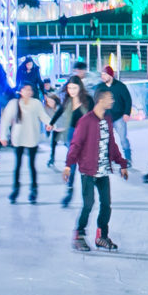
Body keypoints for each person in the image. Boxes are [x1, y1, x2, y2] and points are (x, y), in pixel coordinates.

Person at [64, 89, 129, 252]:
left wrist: (122, 163)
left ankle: (102, 236)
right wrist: (68, 164)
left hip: (103, 170)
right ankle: (78, 235)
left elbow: (111, 145)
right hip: (88, 170)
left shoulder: (107, 119)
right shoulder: (86, 121)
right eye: (110, 98)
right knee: (88, 204)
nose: (112, 101)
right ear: (100, 100)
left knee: (106, 205)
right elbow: (76, 144)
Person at [0, 83, 51, 204]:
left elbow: (43, 116)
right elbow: (5, 119)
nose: (27, 92)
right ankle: (15, 190)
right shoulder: (13, 104)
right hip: (18, 138)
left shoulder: (36, 104)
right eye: (25, 89)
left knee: (32, 165)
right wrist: (3, 135)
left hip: (32, 137)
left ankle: (33, 190)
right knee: (18, 165)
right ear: (20, 91)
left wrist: (49, 123)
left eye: (29, 90)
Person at [49, 76, 93, 206]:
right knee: (72, 164)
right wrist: (51, 123)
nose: (72, 91)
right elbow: (60, 111)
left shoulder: (88, 100)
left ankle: (87, 191)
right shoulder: (68, 100)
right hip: (72, 134)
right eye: (69, 88)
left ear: (80, 88)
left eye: (74, 88)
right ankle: (69, 190)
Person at [95, 66, 132, 164]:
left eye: (104, 74)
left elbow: (128, 100)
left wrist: (126, 113)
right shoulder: (100, 87)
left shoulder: (120, 86)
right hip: (105, 118)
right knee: (106, 139)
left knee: (123, 139)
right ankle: (108, 159)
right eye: (102, 74)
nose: (102, 76)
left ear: (110, 75)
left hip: (119, 117)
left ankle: (128, 158)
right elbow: (96, 102)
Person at [45, 93, 66, 167]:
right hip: (56, 129)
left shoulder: (60, 107)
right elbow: (47, 119)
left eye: (51, 101)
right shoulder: (48, 109)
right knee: (53, 145)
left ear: (55, 101)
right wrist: (47, 129)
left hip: (64, 129)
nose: (49, 103)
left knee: (68, 145)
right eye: (48, 101)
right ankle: (52, 159)